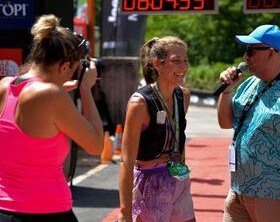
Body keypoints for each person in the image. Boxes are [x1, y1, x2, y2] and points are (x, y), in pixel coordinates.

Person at [0, 14, 104, 222]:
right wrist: (84, 88)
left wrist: (58, 90)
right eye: (72, 71)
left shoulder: (6, 85)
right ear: (64, 66)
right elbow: (96, 144)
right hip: (45, 211)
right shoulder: (51, 96)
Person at [217, 24, 280, 222]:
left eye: (251, 51)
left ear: (272, 52)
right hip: (238, 192)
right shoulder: (248, 84)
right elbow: (225, 122)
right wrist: (227, 91)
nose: (245, 58)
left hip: (274, 198)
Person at [119, 36, 196, 222]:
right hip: (149, 183)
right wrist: (125, 214)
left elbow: (178, 135)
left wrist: (182, 171)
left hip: (177, 178)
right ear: (157, 64)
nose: (183, 67)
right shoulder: (140, 103)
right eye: (176, 61)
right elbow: (126, 162)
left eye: (185, 60)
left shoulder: (182, 96)